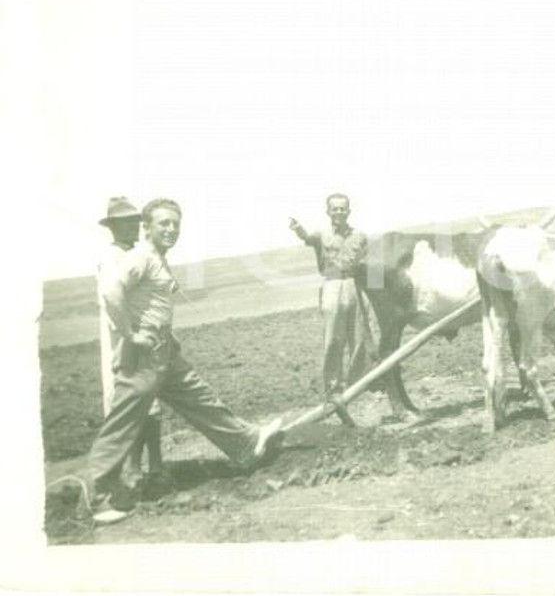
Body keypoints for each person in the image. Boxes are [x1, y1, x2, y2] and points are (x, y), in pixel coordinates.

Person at [86, 198, 284, 525]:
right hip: (143, 353)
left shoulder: (156, 259)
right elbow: (111, 292)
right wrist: (131, 334)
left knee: (199, 396)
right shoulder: (140, 257)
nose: (171, 229)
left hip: (163, 348)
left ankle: (247, 444)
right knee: (124, 422)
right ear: (146, 227)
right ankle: (100, 496)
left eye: (175, 224)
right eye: (163, 223)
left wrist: (163, 334)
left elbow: (149, 301)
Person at [96, 196, 163, 490]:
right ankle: (133, 470)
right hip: (126, 339)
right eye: (128, 222)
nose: (134, 227)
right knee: (134, 402)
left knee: (152, 401)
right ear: (114, 226)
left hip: (143, 337)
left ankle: (157, 464)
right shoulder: (112, 258)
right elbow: (113, 299)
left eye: (136, 221)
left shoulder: (134, 254)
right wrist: (131, 335)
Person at [289, 193, 375, 397]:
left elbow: (369, 264)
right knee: (334, 339)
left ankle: (357, 384)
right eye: (334, 209)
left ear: (349, 211)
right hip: (332, 285)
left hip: (356, 286)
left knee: (359, 337)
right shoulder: (321, 235)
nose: (338, 212)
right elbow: (307, 237)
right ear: (328, 212)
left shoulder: (360, 236)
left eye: (342, 208)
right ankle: (333, 386)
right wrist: (298, 229)